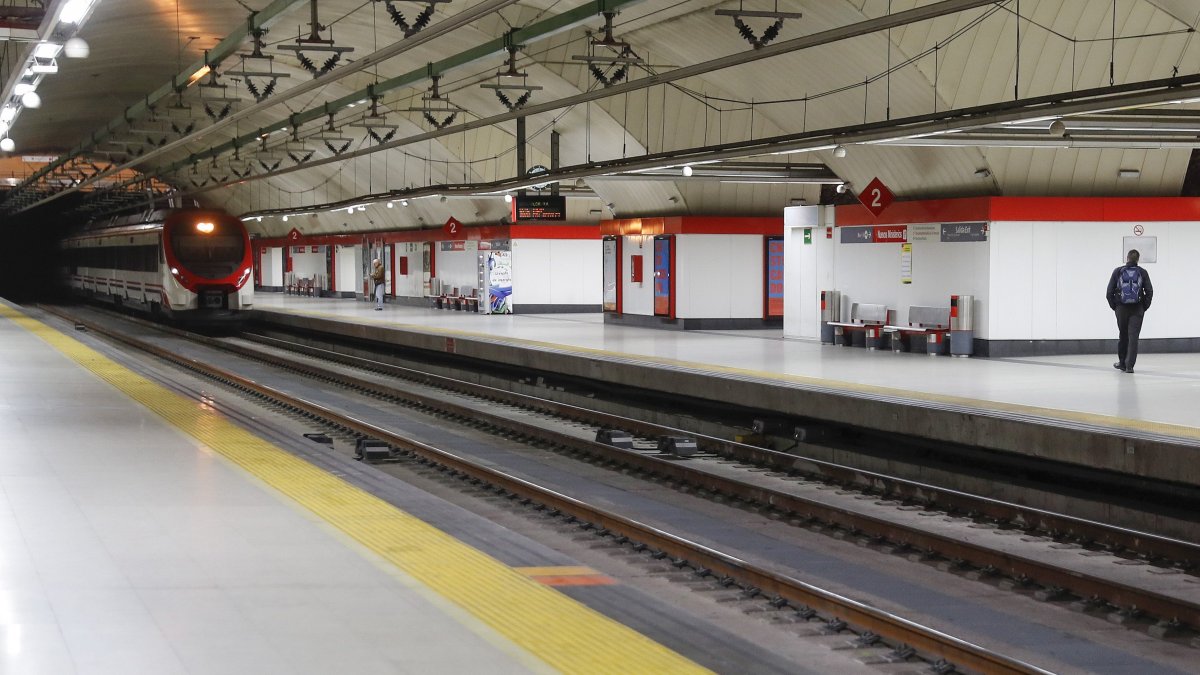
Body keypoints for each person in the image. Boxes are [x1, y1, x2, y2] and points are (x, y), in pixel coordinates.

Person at [1105, 249, 1153, 373]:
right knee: (1134, 337)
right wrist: (1144, 306)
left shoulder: (1118, 271)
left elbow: (1109, 292)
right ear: (1138, 259)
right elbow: (1149, 291)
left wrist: (1115, 307)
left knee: (1123, 334)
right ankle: (1130, 366)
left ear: (1127, 258)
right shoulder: (1143, 272)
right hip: (1137, 309)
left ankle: (1122, 363)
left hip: (1121, 308)